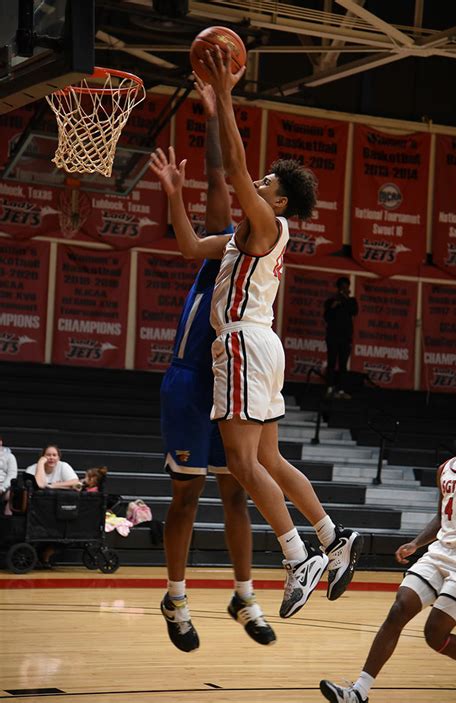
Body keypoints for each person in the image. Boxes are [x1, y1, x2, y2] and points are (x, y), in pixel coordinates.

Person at [150, 48, 363, 625]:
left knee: (242, 463)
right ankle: (332, 536)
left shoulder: (266, 223)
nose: (258, 183)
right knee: (268, 455)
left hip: (244, 344)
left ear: (279, 200)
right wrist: (173, 194)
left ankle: (298, 556)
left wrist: (224, 98)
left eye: (267, 182)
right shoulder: (248, 233)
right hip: (262, 344)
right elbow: (192, 247)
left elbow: (237, 169)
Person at [156, 77, 275, 653]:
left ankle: (243, 593)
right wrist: (210, 115)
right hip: (189, 380)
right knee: (187, 496)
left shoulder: (258, 248)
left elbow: (230, 180)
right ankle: (176, 597)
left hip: (232, 374)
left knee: (236, 494)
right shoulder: (225, 248)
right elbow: (217, 178)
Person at [319, 417, 456, 703]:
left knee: (434, 634)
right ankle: (358, 693)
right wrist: (416, 543)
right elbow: (442, 517)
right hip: (439, 552)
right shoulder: (446, 467)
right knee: (399, 610)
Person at [323, 276, 358, 400]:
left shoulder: (351, 301)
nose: (344, 289)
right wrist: (334, 305)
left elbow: (354, 311)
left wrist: (346, 299)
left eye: (346, 287)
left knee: (343, 365)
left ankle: (342, 390)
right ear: (338, 288)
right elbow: (326, 317)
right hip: (332, 337)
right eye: (342, 287)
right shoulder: (331, 301)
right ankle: (329, 388)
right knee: (331, 363)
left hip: (345, 338)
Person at [0, 435, 18, 512]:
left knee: (11, 494)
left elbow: (12, 475)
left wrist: (1, 489)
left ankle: (8, 521)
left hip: (4, 487)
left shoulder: (10, 457)